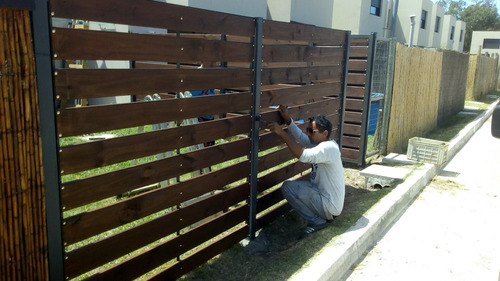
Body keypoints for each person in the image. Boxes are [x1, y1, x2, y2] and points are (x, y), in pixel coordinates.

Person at [266, 105, 345, 239]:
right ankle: (318, 218)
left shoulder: (328, 148)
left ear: (324, 133)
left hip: (329, 205)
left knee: (288, 188)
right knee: (294, 187)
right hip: (323, 197)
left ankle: (316, 221)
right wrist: (288, 119)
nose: (308, 133)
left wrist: (281, 132)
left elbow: (302, 155)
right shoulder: (320, 143)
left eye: (311, 131)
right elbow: (301, 137)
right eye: (308, 129)